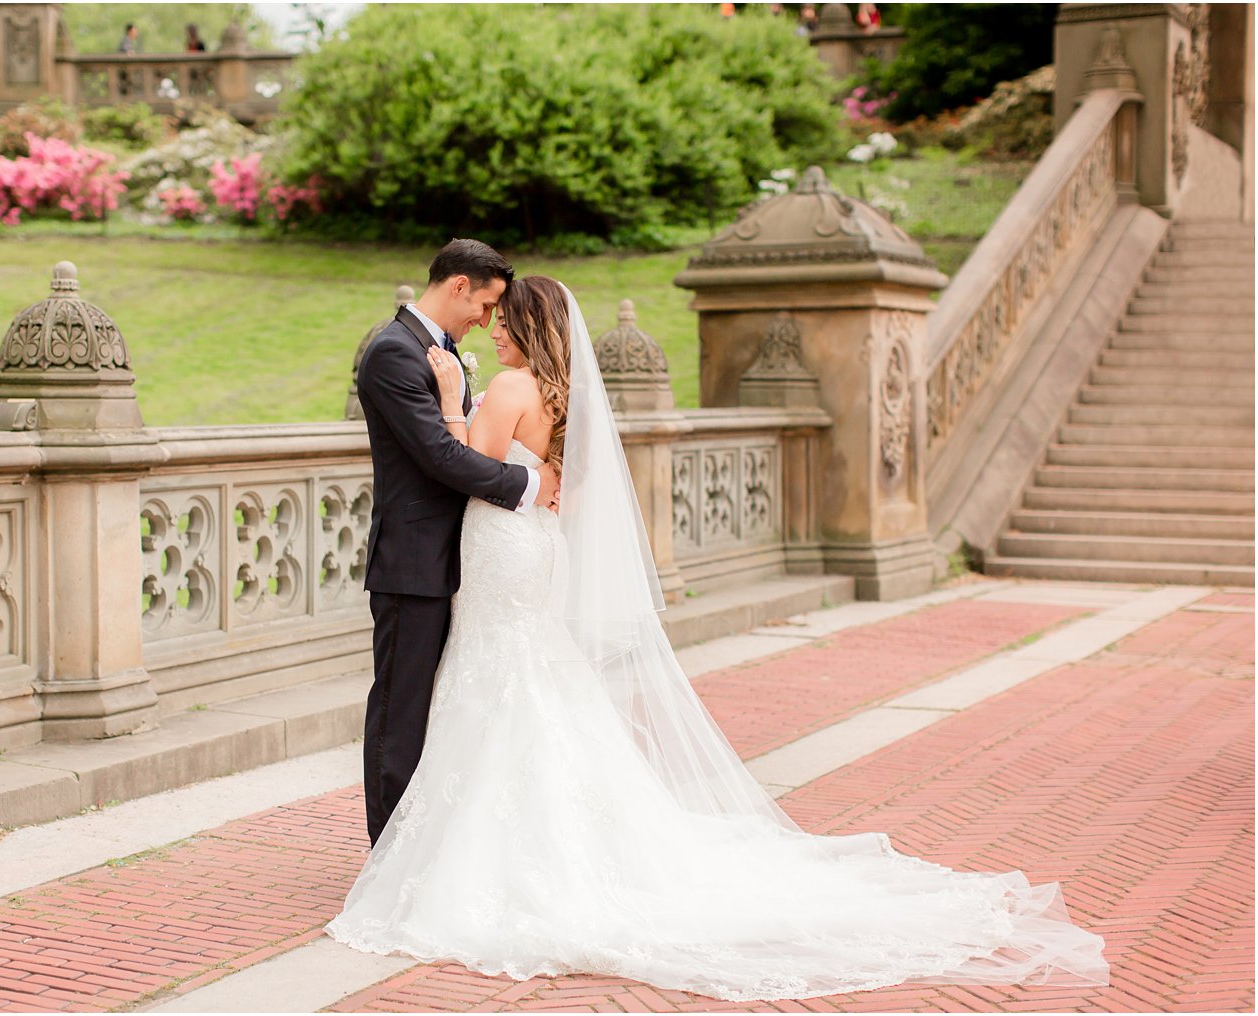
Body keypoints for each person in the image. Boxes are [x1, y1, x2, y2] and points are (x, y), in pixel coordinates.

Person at [326, 275, 1110, 1002]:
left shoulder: (505, 386)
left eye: (506, 321)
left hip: (502, 547)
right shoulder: (561, 395)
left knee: (499, 679)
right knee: (527, 678)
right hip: (531, 551)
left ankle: (473, 857)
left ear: (531, 329)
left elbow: (466, 462)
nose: (494, 331)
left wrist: (455, 397)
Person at [354, 240, 560, 848]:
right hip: (414, 563)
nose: (489, 321)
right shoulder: (394, 353)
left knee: (450, 708)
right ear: (460, 286)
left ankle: (433, 846)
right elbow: (444, 458)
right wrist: (530, 482)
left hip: (471, 562)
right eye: (488, 304)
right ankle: (387, 852)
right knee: (401, 710)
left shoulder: (440, 353)